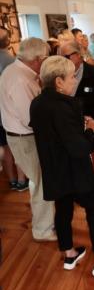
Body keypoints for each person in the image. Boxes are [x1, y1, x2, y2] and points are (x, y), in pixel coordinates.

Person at [29, 55, 94, 277]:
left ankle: (69, 254)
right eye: (72, 77)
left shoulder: (37, 103)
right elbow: (80, 148)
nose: (75, 81)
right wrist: (91, 129)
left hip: (53, 170)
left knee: (63, 210)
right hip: (76, 173)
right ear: (59, 81)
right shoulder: (66, 105)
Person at [0, 37, 56, 241]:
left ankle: (44, 223)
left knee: (38, 182)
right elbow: (31, 118)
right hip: (25, 138)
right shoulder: (20, 79)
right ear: (37, 59)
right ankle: (42, 230)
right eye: (45, 59)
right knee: (42, 184)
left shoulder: (20, 72)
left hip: (24, 136)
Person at [60, 41, 94, 210]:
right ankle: (83, 195)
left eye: (67, 56)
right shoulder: (61, 75)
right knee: (77, 162)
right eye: (60, 56)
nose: (63, 59)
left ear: (78, 55)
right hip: (72, 127)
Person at [0, 27, 28, 191]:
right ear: (8, 41)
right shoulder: (11, 62)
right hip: (8, 113)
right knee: (16, 147)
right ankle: (21, 180)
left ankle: (11, 180)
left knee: (5, 147)